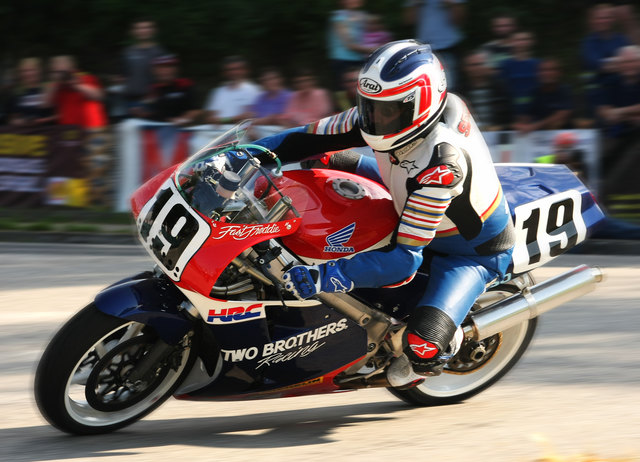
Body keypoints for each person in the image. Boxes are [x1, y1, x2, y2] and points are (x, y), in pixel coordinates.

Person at [254, 40, 514, 385]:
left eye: (387, 110)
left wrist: (324, 276)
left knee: (422, 347)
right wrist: (248, 153)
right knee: (323, 158)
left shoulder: (442, 164)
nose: (373, 119)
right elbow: (304, 138)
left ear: (419, 106)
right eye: (368, 106)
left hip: (466, 250)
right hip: (406, 189)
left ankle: (446, 343)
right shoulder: (387, 117)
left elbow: (404, 262)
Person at [404, 0, 466, 90]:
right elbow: (408, 21)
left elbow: (460, 20)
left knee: (451, 88)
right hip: (424, 50)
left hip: (449, 47)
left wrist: (451, 4)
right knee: (428, 88)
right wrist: (415, 4)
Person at [133, 54, 201, 126]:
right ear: (154, 70)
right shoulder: (151, 88)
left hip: (183, 128)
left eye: (169, 67)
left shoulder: (185, 85)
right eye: (161, 67)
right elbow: (147, 112)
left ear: (175, 69)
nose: (165, 71)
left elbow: (196, 110)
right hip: (156, 127)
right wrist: (140, 112)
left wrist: (184, 119)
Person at [513, 58, 574, 134]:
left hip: (564, 136)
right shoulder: (532, 93)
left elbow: (563, 114)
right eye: (543, 70)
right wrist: (521, 124)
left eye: (551, 70)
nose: (547, 73)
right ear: (537, 74)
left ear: (559, 73)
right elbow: (524, 116)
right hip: (537, 137)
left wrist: (535, 126)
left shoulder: (565, 90)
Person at [457, 50, 511, 131]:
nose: (477, 68)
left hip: (497, 134)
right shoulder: (459, 92)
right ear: (465, 68)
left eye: (480, 64)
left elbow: (509, 116)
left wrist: (500, 127)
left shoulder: (500, 88)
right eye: (473, 65)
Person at [327, 0, 376, 90]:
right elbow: (349, 44)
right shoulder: (339, 16)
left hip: (360, 60)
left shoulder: (363, 16)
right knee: (343, 91)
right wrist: (374, 49)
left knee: (363, 90)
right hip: (342, 61)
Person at [121, 18, 166, 113]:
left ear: (153, 30)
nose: (143, 31)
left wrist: (156, 95)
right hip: (129, 100)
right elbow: (124, 75)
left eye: (147, 27)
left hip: (152, 101)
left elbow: (165, 79)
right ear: (133, 31)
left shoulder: (160, 52)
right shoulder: (128, 52)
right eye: (139, 28)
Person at [204, 55, 261, 125]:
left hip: (240, 132)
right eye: (230, 70)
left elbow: (247, 118)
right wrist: (232, 118)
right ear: (224, 72)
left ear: (245, 70)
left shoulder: (254, 90)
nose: (233, 72)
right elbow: (209, 119)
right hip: (215, 132)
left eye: (237, 69)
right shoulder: (217, 91)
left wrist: (221, 120)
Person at [498, 30, 540, 116]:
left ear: (531, 41)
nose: (522, 42)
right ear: (511, 42)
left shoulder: (539, 64)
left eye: (525, 39)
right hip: (511, 111)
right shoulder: (505, 65)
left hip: (536, 109)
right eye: (518, 39)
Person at [6, 57, 55, 127]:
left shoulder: (48, 88)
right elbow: (11, 119)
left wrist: (43, 120)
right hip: (25, 134)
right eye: (24, 71)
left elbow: (59, 114)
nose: (28, 74)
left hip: (49, 132)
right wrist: (22, 122)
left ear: (39, 71)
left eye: (32, 70)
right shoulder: (16, 93)